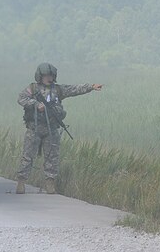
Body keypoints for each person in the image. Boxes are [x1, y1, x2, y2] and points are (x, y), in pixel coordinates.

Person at [14, 62, 102, 194]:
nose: (49, 78)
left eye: (51, 75)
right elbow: (21, 99)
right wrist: (35, 104)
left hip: (52, 129)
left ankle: (50, 183)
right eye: (46, 76)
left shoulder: (58, 90)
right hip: (35, 128)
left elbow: (74, 89)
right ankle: (21, 182)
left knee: (52, 157)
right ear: (40, 76)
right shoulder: (32, 89)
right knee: (27, 156)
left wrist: (91, 87)